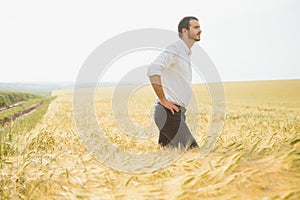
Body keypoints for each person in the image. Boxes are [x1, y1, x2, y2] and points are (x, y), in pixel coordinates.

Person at [147, 16, 202, 149]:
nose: (200, 30)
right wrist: (163, 100)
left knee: (168, 157)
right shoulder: (175, 49)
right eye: (196, 27)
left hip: (177, 113)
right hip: (168, 113)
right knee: (193, 152)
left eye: (199, 27)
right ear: (185, 31)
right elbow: (153, 70)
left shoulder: (186, 52)